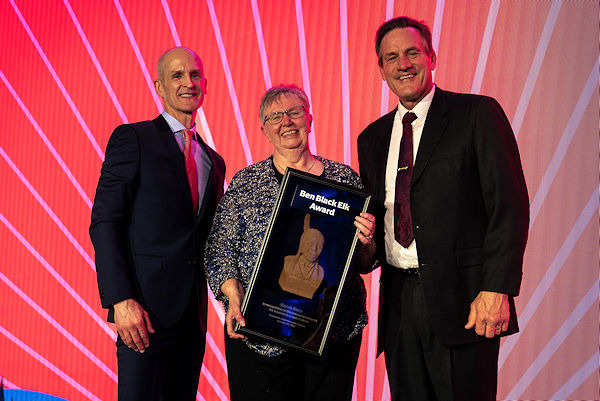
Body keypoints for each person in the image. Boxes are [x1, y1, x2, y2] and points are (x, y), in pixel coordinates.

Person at [357, 17, 529, 401]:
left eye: (412, 52)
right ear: (381, 70)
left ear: (431, 56)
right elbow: (378, 223)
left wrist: (496, 288)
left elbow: (509, 205)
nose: (403, 63)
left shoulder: (477, 115)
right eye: (391, 57)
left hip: (466, 301)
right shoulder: (371, 138)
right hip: (399, 306)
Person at [205, 84, 376, 401]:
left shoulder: (345, 180)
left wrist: (366, 243)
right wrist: (232, 294)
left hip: (331, 334)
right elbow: (219, 249)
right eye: (275, 117)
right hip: (260, 334)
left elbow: (364, 262)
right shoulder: (246, 183)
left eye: (295, 112)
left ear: (309, 119)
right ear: (264, 130)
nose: (287, 121)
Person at [89, 47, 225, 400]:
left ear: (205, 85)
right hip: (142, 314)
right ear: (159, 87)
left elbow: (208, 239)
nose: (188, 82)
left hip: (191, 320)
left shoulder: (214, 161)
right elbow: (105, 221)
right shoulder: (133, 138)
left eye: (195, 75)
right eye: (177, 75)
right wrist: (121, 299)